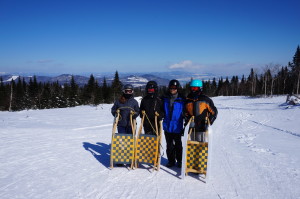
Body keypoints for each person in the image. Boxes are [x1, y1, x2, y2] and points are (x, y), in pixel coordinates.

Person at [161, 79, 185, 168]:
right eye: (171, 88)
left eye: (174, 88)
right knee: (169, 145)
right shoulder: (165, 98)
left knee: (178, 145)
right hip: (167, 126)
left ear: (177, 88)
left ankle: (179, 161)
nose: (172, 89)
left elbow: (187, 110)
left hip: (177, 126)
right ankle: (171, 161)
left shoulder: (182, 99)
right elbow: (160, 108)